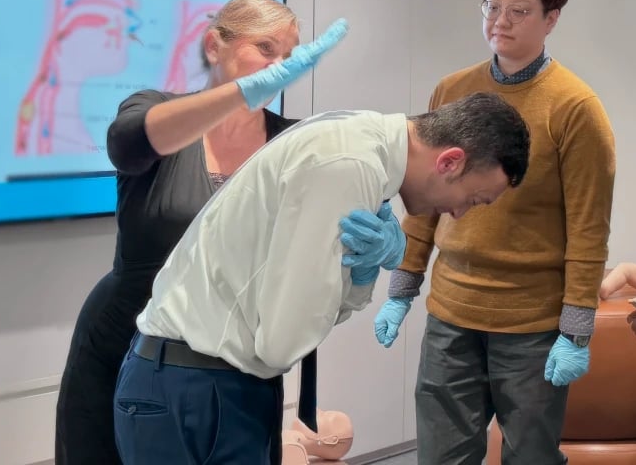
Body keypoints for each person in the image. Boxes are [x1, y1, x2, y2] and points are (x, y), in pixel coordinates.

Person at [115, 92, 533, 464]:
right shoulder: (349, 164)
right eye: (474, 199)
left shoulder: (360, 142)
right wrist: (352, 284)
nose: (459, 213)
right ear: (450, 161)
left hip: (202, 381)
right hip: (196, 386)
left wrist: (357, 278)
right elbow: (281, 344)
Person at [54, 0, 367, 465]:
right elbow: (127, 143)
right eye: (265, 48)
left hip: (236, 364)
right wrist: (238, 94)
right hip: (126, 343)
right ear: (213, 45)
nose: (279, 67)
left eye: (289, 56)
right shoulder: (155, 109)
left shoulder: (292, 141)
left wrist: (370, 248)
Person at [372, 0, 617, 465]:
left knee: (531, 456)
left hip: (531, 324)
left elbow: (588, 227)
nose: (500, 21)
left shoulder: (575, 107)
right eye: (492, 7)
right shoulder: (452, 90)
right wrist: (402, 286)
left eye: (519, 11)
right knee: (441, 455)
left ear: (551, 19)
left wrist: (576, 329)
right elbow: (423, 196)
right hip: (452, 312)